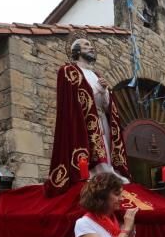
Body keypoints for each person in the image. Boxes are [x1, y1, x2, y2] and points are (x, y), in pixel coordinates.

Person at [45, 38, 130, 196]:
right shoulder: (68, 71)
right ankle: (93, 173)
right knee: (89, 145)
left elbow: (106, 105)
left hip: (100, 117)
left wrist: (104, 92)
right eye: (86, 46)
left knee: (105, 144)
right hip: (80, 120)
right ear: (76, 51)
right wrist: (98, 88)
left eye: (91, 46)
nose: (91, 48)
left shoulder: (96, 74)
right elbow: (72, 98)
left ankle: (109, 172)